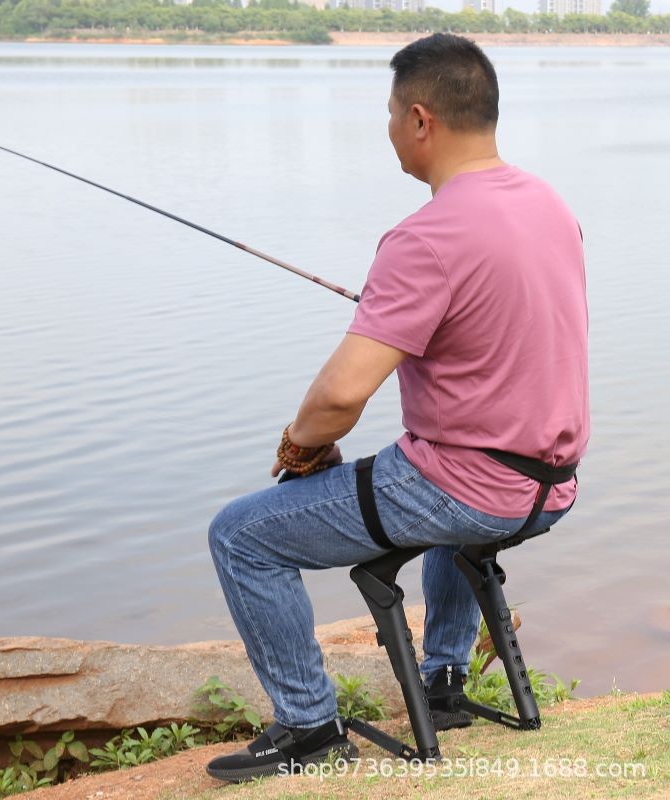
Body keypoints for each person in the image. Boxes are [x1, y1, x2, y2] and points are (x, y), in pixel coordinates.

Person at [206, 33, 590, 784]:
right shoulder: (550, 204)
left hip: (471, 490)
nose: (387, 130)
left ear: (421, 120)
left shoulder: (426, 236)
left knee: (242, 535)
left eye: (389, 115)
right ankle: (444, 678)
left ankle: (309, 728)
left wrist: (298, 445)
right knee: (448, 491)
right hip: (551, 488)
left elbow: (342, 395)